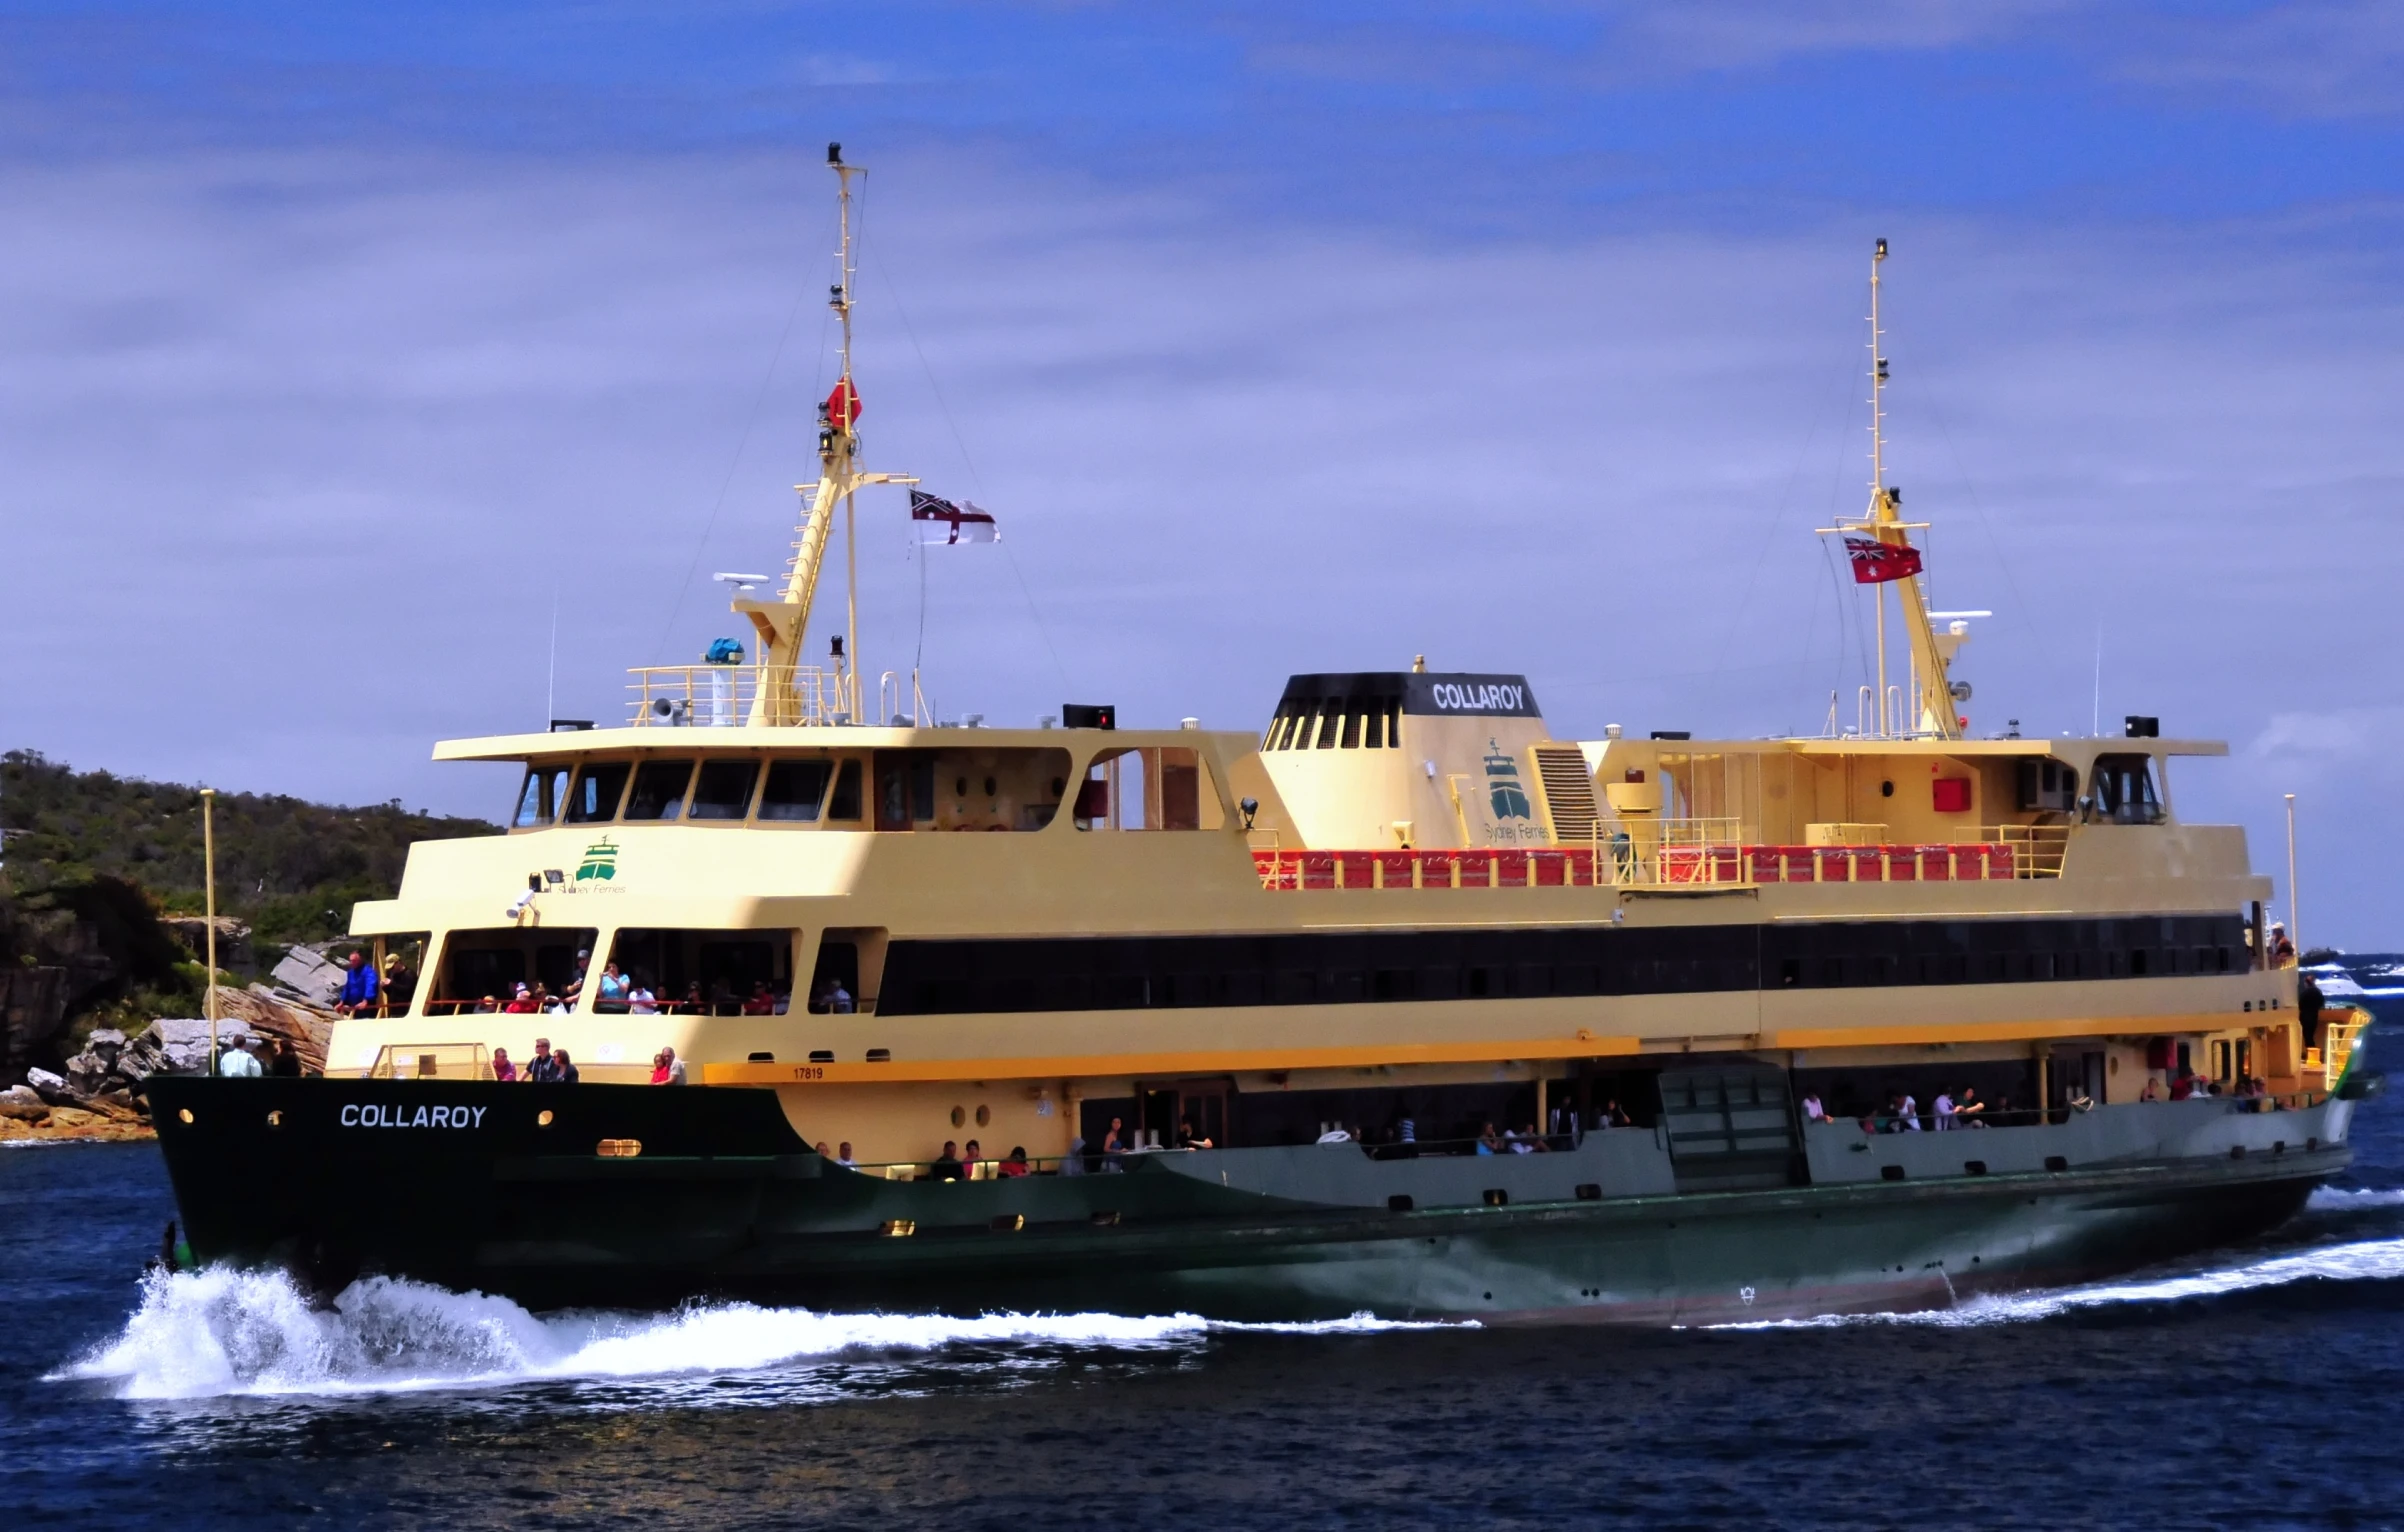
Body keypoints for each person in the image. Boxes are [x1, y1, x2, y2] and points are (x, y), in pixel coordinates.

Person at [334, 951, 378, 1016]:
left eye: (354, 961)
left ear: (360, 960)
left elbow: (371, 985)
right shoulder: (350, 972)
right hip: (354, 1006)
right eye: (351, 961)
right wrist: (342, 1002)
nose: (352, 963)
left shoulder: (368, 971)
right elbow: (347, 987)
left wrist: (366, 1000)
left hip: (366, 1007)